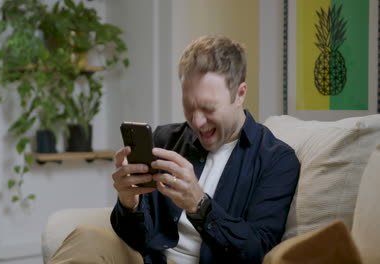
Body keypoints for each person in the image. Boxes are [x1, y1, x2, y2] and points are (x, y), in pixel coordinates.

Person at [48, 35, 300, 264]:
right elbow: (135, 239)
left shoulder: (276, 160)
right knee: (87, 236)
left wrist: (200, 205)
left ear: (240, 93)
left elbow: (258, 252)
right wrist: (129, 204)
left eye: (209, 108)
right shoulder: (166, 139)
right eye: (189, 107)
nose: (197, 121)